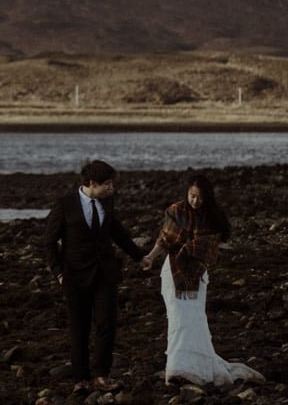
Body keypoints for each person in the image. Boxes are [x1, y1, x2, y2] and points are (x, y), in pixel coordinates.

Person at [139, 174, 263, 387]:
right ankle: (178, 368)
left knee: (194, 318)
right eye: (192, 196)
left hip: (196, 273)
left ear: (207, 198)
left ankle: (195, 368)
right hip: (173, 270)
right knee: (178, 318)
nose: (195, 201)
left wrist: (190, 248)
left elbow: (211, 246)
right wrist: (150, 257)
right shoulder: (176, 211)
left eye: (199, 197)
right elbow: (165, 239)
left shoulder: (212, 217)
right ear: (187, 193)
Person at [43, 159, 146, 396]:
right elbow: (49, 242)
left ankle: (102, 376)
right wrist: (58, 272)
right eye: (107, 184)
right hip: (74, 276)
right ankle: (81, 378)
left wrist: (139, 256)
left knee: (106, 324)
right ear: (91, 183)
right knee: (79, 328)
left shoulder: (107, 202)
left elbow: (116, 231)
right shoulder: (65, 204)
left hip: (105, 274)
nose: (112, 188)